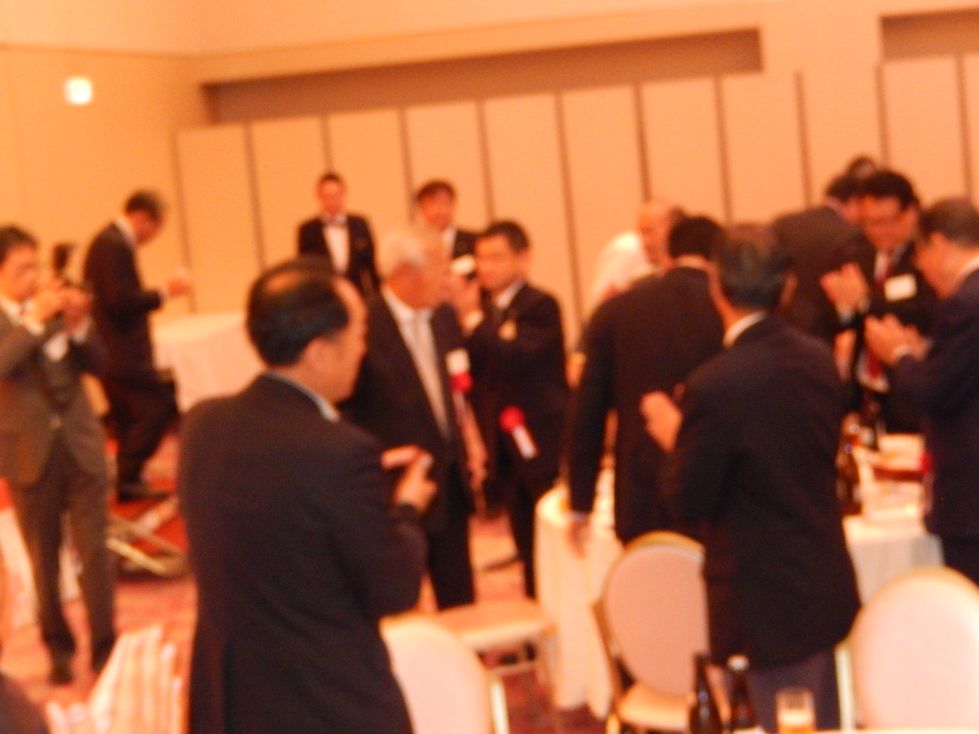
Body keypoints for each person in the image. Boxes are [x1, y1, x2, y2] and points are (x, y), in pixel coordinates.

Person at [178, 259, 435, 734]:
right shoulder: (339, 452)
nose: (364, 348)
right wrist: (406, 507)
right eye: (359, 334)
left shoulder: (203, 425)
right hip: (324, 702)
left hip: (233, 702)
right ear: (318, 353)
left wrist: (353, 486)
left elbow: (273, 506)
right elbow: (394, 587)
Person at [643, 228, 860, 731]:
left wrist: (676, 438)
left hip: (763, 592)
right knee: (820, 717)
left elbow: (686, 497)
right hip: (820, 573)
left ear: (717, 288)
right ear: (787, 288)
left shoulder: (716, 383)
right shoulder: (817, 357)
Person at [343, 228, 484, 609]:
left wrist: (471, 440)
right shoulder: (363, 325)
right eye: (440, 267)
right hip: (394, 488)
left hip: (448, 479)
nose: (448, 278)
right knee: (399, 603)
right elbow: (347, 412)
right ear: (405, 272)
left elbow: (457, 386)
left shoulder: (444, 317)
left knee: (460, 598)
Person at [0, 225, 116, 686]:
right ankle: (59, 648)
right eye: (22, 269)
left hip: (81, 445)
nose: (34, 277)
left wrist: (80, 325)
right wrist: (33, 323)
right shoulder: (20, 319)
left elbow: (104, 366)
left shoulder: (56, 308)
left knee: (95, 552)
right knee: (44, 559)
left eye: (36, 266)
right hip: (28, 453)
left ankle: (106, 649)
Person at [567, 216, 724, 547]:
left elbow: (587, 413)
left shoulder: (615, 310)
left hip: (639, 491)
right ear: (718, 258)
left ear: (670, 254)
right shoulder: (727, 309)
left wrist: (580, 502)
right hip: (713, 492)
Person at [864, 197, 979, 586]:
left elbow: (932, 394)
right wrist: (920, 358)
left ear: (939, 244)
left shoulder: (964, 302)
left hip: (970, 496)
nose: (922, 267)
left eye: (921, 254)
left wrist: (898, 355)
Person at [459, 220, 568, 598]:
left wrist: (474, 322)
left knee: (548, 525)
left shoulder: (540, 305)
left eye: (497, 257)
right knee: (521, 529)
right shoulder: (486, 311)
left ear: (523, 258)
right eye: (481, 258)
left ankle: (559, 601)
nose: (486, 267)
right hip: (500, 438)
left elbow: (518, 356)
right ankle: (535, 599)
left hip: (539, 434)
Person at [82, 190, 191, 502]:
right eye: (158, 227)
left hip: (111, 350)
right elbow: (120, 301)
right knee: (155, 407)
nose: (154, 236)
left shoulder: (109, 241)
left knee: (129, 415)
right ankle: (128, 477)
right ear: (143, 219)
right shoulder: (114, 245)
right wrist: (165, 292)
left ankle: (128, 476)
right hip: (121, 351)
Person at [820, 169, 938, 431]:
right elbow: (837, 323)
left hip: (908, 391)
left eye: (885, 221)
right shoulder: (856, 256)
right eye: (868, 222)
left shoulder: (926, 259)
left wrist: (865, 302)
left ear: (911, 213)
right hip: (865, 390)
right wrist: (844, 309)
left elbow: (924, 314)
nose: (876, 231)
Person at [772, 172, 861, 342]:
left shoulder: (782, 224)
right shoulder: (850, 234)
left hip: (780, 324)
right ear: (853, 201)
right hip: (824, 331)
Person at [587, 198, 680, 310]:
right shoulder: (638, 286)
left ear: (674, 230)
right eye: (641, 233)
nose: (645, 242)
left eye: (649, 231)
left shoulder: (687, 284)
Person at [296, 171, 379, 297]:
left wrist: (375, 296)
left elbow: (370, 265)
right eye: (327, 196)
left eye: (336, 195)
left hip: (357, 294)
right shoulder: (308, 230)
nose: (333, 200)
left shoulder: (360, 224)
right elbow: (305, 271)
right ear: (319, 197)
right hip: (324, 296)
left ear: (344, 195)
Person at [415, 180, 478, 262]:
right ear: (421, 208)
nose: (439, 210)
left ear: (453, 205)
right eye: (431, 204)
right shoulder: (414, 243)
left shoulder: (474, 241)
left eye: (443, 203)